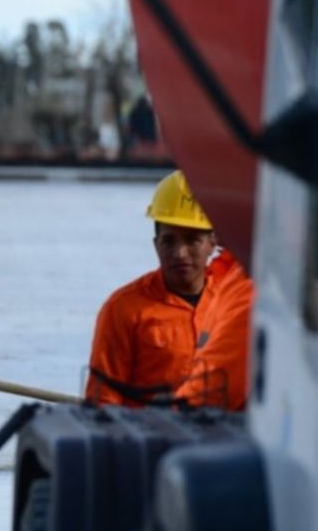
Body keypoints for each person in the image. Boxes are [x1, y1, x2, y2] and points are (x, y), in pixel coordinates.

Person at [84, 170, 255, 410]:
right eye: (169, 241)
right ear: (156, 245)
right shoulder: (123, 309)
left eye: (192, 240)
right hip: (149, 438)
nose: (179, 253)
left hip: (218, 437)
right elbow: (102, 401)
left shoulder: (233, 303)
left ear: (212, 243)